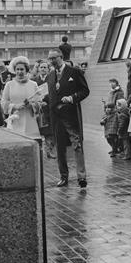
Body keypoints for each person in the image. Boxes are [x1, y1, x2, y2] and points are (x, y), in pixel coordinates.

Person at [46, 47, 90, 188]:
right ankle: (63, 177)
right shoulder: (50, 75)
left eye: (54, 58)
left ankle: (81, 177)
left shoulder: (74, 72)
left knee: (77, 145)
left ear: (61, 57)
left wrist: (72, 98)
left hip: (71, 115)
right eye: (50, 59)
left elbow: (85, 91)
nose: (52, 61)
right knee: (60, 147)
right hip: (56, 117)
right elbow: (50, 95)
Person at [1, 56, 41, 139]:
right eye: (17, 69)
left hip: (30, 122)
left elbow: (40, 103)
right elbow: (3, 102)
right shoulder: (9, 85)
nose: (19, 72)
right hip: (14, 121)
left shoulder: (33, 84)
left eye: (22, 69)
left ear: (26, 70)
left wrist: (31, 105)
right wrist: (14, 106)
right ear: (14, 71)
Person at [33, 60, 56, 159]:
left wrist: (48, 101)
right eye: (41, 67)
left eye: (45, 67)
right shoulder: (33, 81)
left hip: (48, 108)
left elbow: (55, 93)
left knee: (49, 132)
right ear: (38, 69)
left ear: (48, 69)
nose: (43, 69)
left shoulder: (52, 80)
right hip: (37, 109)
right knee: (37, 131)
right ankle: (38, 152)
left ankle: (49, 151)